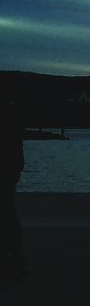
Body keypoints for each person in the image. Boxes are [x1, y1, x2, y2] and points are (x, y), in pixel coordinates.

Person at [1, 99, 26, 279]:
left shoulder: (8, 121)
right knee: (9, 214)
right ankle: (14, 260)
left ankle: (13, 260)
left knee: (7, 214)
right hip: (10, 170)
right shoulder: (12, 120)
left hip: (7, 171)